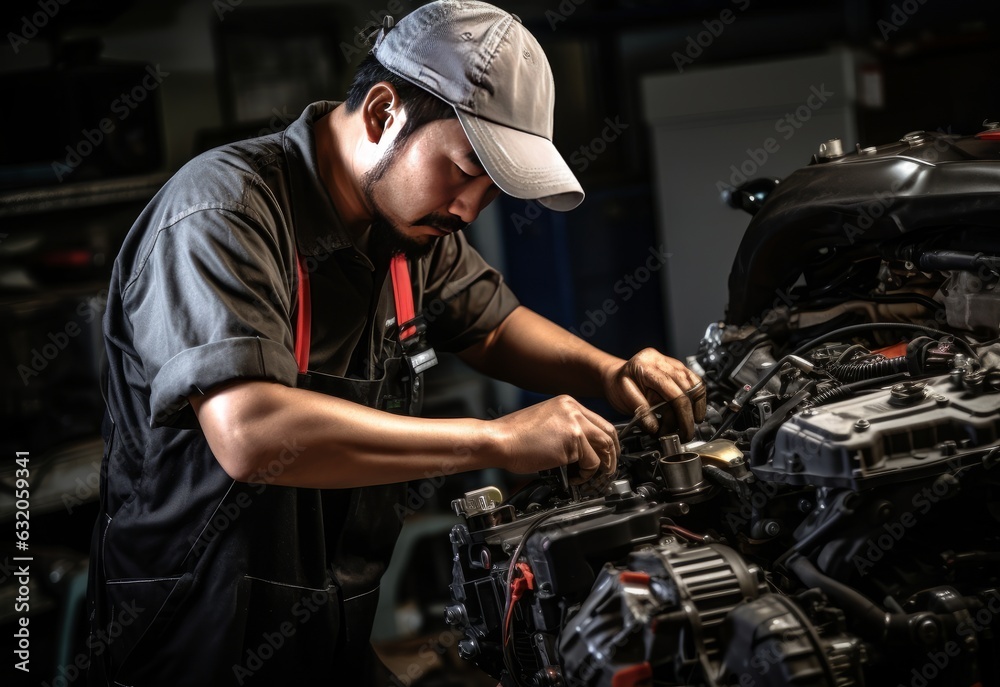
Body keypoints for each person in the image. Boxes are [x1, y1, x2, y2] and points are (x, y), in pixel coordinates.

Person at [86, 1, 705, 684]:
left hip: (331, 635)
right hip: (192, 642)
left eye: (491, 189)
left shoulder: (408, 229)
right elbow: (252, 432)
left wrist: (609, 370)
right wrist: (495, 439)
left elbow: (491, 324)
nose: (470, 207)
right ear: (382, 113)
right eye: (467, 168)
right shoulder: (223, 213)